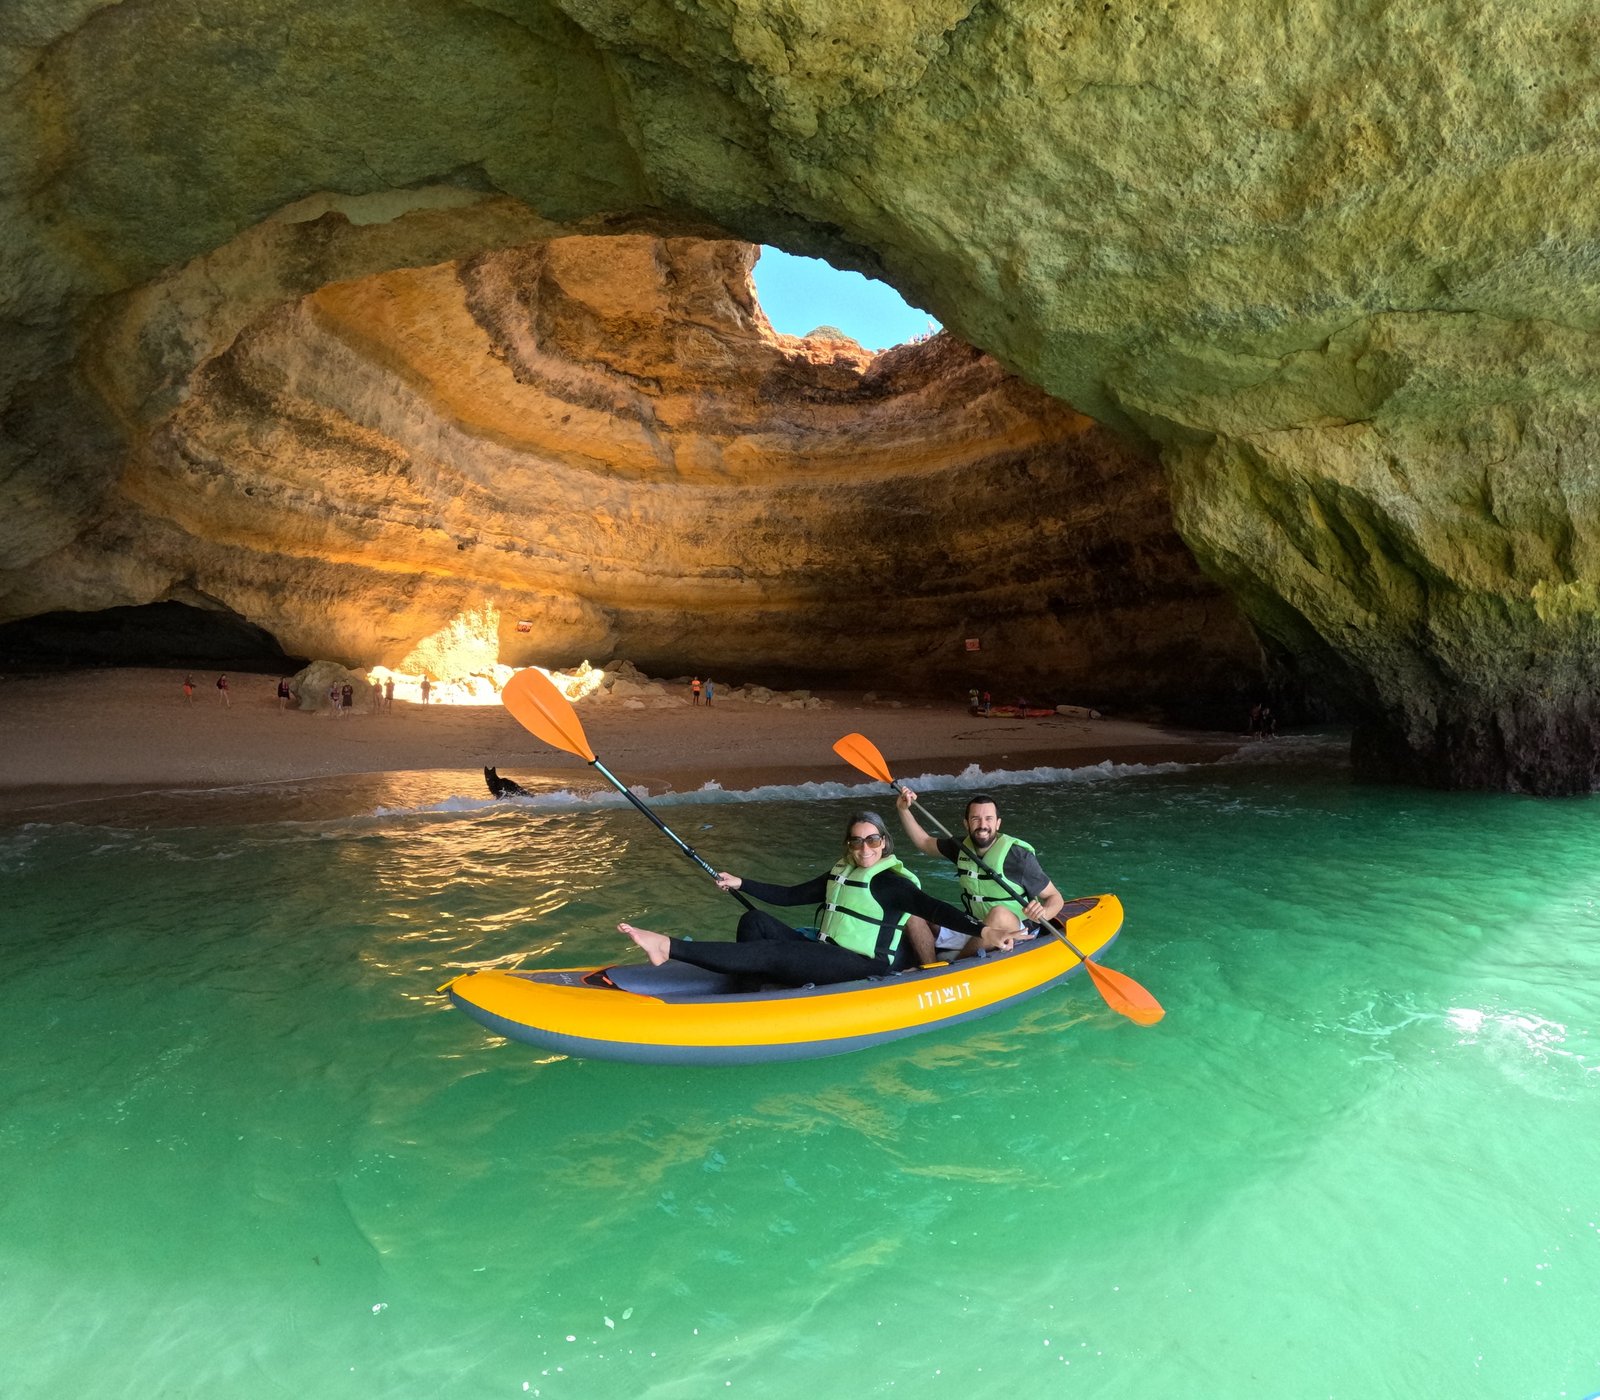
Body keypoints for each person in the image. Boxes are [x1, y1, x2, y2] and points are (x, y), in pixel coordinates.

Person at [618, 811, 1019, 989]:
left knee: (774, 952)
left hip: (863, 966)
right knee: (755, 923)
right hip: (827, 953)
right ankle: (745, 994)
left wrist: (984, 929)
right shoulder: (838, 873)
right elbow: (791, 896)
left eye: (873, 839)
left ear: (884, 843)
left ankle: (667, 947)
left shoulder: (890, 883)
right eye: (857, 840)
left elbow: (936, 910)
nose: (865, 847)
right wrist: (741, 882)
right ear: (849, 844)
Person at [895, 788, 1065, 960]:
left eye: (989, 819)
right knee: (913, 908)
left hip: (1016, 930)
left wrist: (1043, 913)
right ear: (966, 823)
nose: (983, 825)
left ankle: (954, 968)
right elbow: (924, 842)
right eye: (976, 819)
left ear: (998, 823)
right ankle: (930, 968)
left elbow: (1055, 897)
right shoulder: (961, 847)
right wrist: (903, 809)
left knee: (998, 914)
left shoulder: (1018, 857)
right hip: (974, 925)